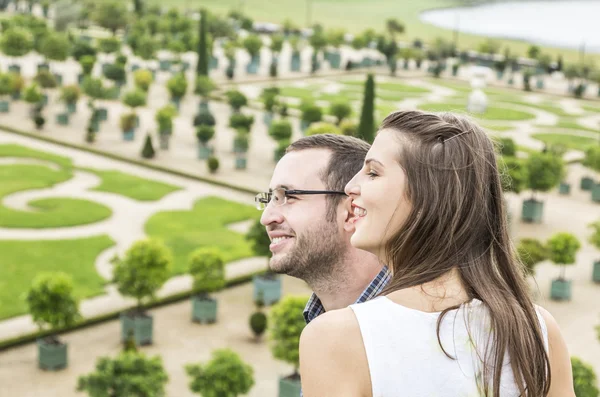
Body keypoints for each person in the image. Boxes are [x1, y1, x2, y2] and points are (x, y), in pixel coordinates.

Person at [299, 110, 575, 397]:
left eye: (373, 172)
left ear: (426, 197)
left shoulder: (338, 339)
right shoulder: (535, 328)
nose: (350, 187)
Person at [256, 134, 390, 323]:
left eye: (288, 196)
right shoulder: (323, 324)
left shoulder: (417, 330)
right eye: (271, 199)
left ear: (352, 211)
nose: (266, 218)